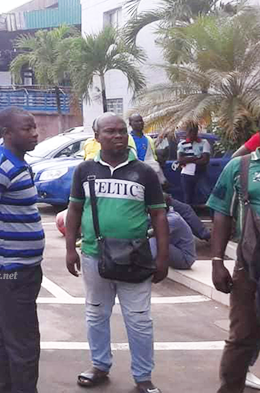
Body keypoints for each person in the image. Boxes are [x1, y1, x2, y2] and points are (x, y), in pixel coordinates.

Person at [65, 112, 169, 393]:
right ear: (97, 137)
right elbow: (74, 210)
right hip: (94, 255)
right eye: (110, 131)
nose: (119, 136)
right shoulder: (85, 171)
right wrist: (70, 250)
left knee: (138, 319)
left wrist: (162, 257)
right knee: (96, 313)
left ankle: (143, 377)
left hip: (135, 257)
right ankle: (100, 365)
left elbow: (159, 217)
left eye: (122, 131)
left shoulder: (144, 172)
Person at [0, 106, 45, 393]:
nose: (35, 133)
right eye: (27, 128)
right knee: (25, 343)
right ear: (7, 133)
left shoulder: (17, 164)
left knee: (5, 336)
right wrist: (1, 254)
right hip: (13, 272)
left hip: (21, 269)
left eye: (34, 126)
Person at [208, 111, 260, 393]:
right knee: (243, 335)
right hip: (251, 266)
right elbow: (221, 214)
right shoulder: (239, 167)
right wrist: (217, 261)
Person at [151, 196, 197, 270]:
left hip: (185, 259)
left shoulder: (173, 219)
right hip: (176, 252)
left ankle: (148, 265)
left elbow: (151, 233)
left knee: (153, 239)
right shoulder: (166, 214)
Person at [177, 120, 211, 205]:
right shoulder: (182, 144)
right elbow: (180, 160)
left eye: (194, 130)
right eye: (190, 131)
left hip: (200, 173)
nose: (192, 133)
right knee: (188, 198)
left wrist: (187, 159)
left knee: (208, 195)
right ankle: (190, 217)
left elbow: (205, 160)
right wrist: (197, 157)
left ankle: (213, 216)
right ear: (187, 131)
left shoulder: (204, 142)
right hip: (186, 174)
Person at [129, 114, 166, 184]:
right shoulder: (127, 139)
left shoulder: (149, 139)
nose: (140, 123)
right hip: (134, 173)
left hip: (151, 171)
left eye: (141, 121)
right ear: (130, 124)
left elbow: (153, 156)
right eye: (136, 121)